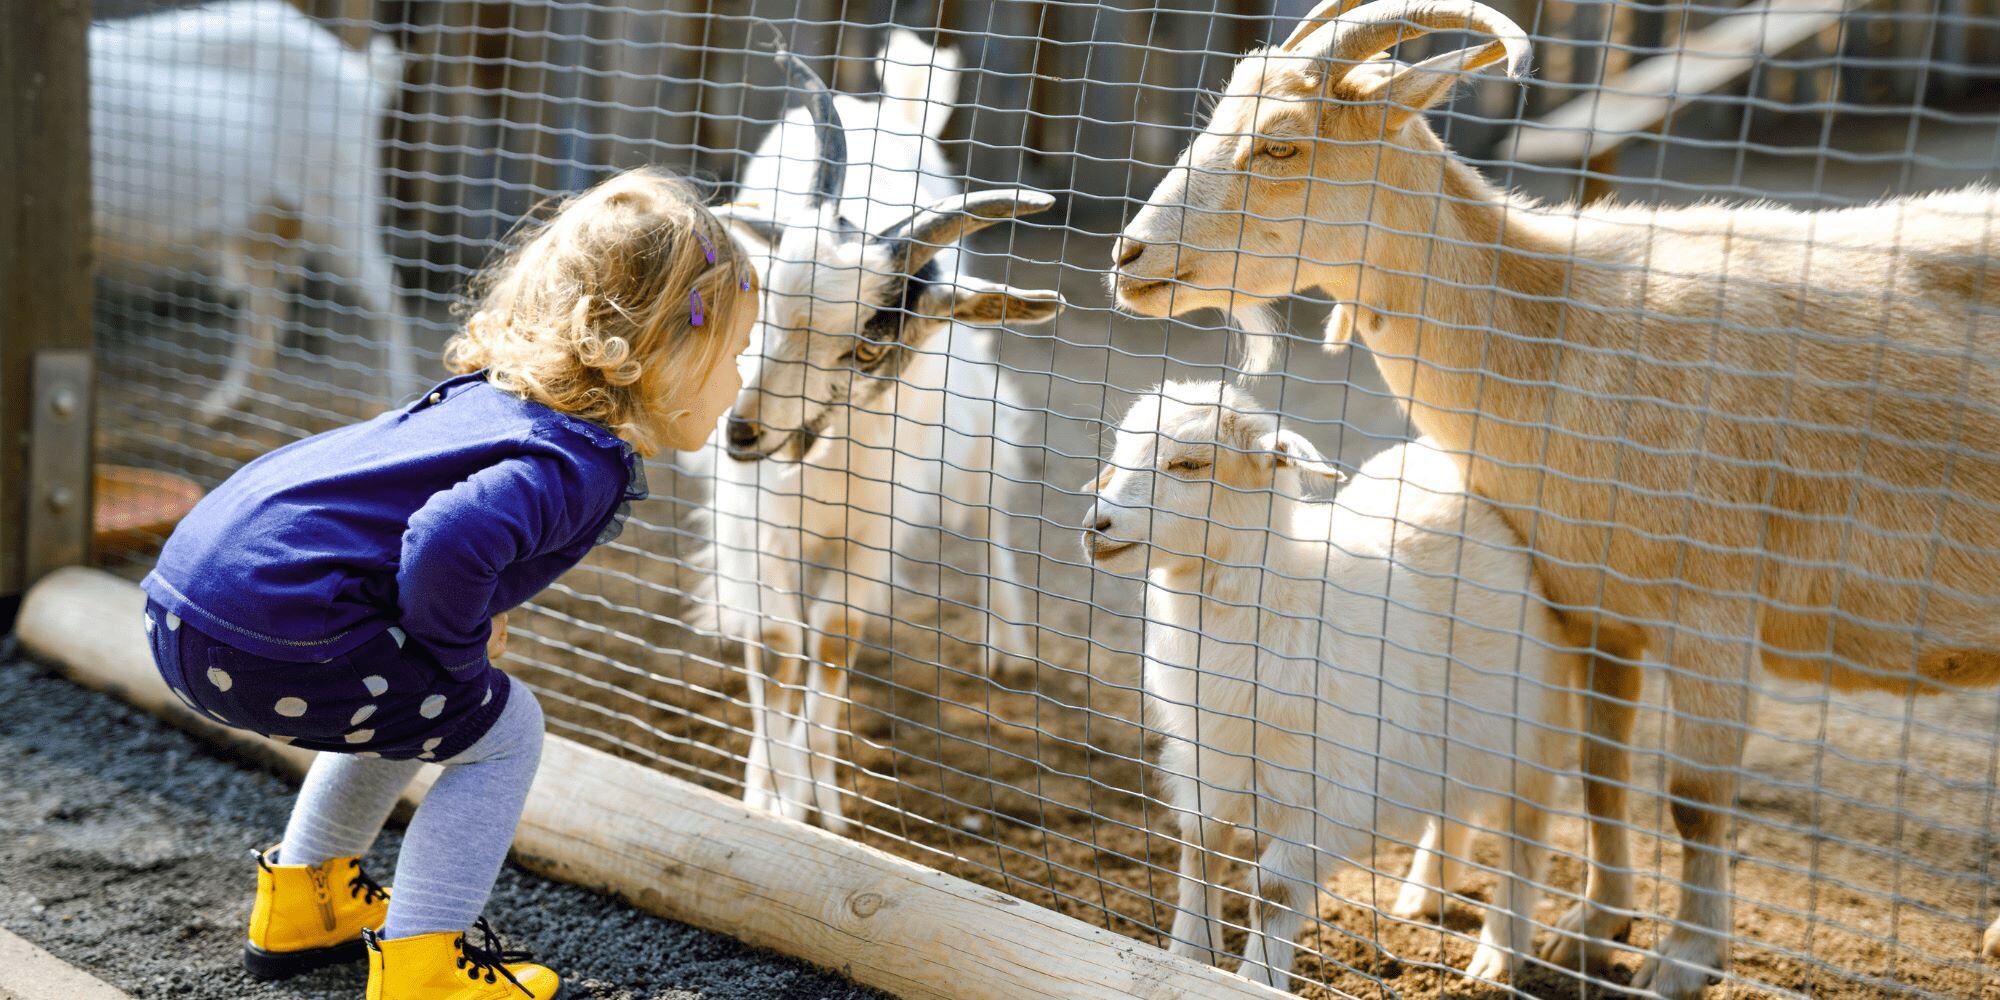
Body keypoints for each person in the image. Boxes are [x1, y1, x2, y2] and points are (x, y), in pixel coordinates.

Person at [140, 167, 757, 999]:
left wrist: (450, 642)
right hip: (277, 638)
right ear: (668, 351)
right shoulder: (576, 461)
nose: (741, 384)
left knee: (425, 704)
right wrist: (460, 651)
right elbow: (447, 540)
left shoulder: (488, 404)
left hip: (189, 608)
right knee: (503, 727)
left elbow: (416, 537)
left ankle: (306, 906)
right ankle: (425, 968)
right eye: (737, 353)